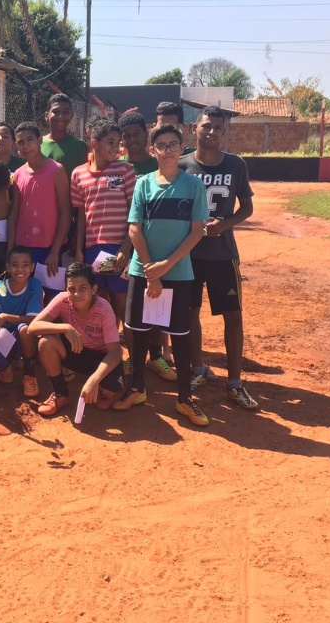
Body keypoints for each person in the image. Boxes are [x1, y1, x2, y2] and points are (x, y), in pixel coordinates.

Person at [116, 124, 209, 425]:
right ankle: (137, 388)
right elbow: (134, 229)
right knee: (139, 333)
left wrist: (166, 266)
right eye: (161, 146)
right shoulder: (143, 184)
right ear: (152, 150)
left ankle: (185, 399)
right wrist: (150, 270)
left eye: (173, 145)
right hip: (143, 271)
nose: (167, 150)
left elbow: (197, 233)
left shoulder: (194, 186)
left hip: (178, 273)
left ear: (182, 148)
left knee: (179, 336)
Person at [179, 106, 258, 410]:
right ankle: (198, 369)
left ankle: (235, 383)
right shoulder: (183, 165)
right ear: (193, 129)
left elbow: (247, 209)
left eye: (217, 128)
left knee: (233, 316)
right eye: (206, 126)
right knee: (189, 313)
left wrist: (223, 224)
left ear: (223, 132)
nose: (211, 132)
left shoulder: (236, 165)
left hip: (223, 254)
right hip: (189, 254)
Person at [118, 110, 177, 379]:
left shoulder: (161, 165)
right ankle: (132, 358)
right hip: (127, 246)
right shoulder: (118, 166)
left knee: (156, 305)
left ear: (147, 135)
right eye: (126, 136)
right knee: (128, 309)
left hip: (158, 247)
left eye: (137, 135)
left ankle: (157, 356)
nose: (132, 141)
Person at [27, 263, 125, 416]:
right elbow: (32, 328)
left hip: (102, 357)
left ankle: (100, 388)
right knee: (46, 342)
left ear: (94, 289)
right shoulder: (62, 300)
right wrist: (65, 328)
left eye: (83, 288)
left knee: (107, 396)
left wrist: (94, 380)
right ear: (66, 289)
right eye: (71, 289)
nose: (76, 294)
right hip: (77, 349)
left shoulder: (104, 309)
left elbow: (115, 353)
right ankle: (61, 394)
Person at [71, 118, 135, 324]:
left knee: (122, 301)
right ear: (94, 143)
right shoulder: (78, 174)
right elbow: (81, 213)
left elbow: (136, 211)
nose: (116, 147)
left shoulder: (125, 170)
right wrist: (80, 248)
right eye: (111, 142)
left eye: (118, 143)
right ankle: (111, 351)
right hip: (93, 251)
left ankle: (132, 355)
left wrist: (126, 247)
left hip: (118, 249)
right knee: (102, 302)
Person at [8, 121, 71, 292]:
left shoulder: (56, 170)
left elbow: (66, 212)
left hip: (49, 248)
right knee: (27, 295)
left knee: (52, 297)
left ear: (40, 140)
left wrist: (55, 251)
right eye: (21, 142)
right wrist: (11, 249)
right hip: (23, 248)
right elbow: (14, 214)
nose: (26, 146)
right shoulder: (18, 173)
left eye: (30, 140)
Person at [0, 246, 44, 398]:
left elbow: (34, 319)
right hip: (2, 336)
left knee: (25, 329)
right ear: (7, 267)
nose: (20, 269)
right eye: (14, 265)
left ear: (32, 267)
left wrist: (6, 316)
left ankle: (29, 374)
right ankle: (5, 365)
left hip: (21, 336)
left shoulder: (34, 285)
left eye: (25, 265)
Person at [40, 93, 88, 179]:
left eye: (65, 112)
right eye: (56, 112)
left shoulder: (80, 147)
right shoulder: (38, 144)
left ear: (71, 115)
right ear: (46, 116)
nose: (61, 116)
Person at [119, 110, 157, 179]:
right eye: (127, 136)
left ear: (145, 134)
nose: (132, 139)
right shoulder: (117, 167)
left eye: (137, 134)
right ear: (121, 138)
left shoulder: (158, 166)